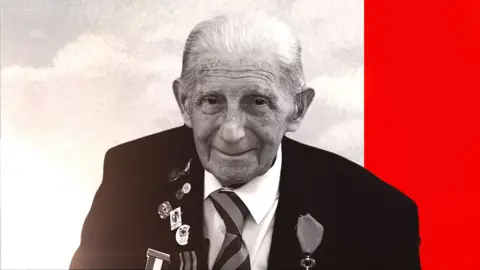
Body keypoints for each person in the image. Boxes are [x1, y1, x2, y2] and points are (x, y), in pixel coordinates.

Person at [70, 13, 421, 270]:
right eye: (211, 101)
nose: (232, 132)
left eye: (258, 102)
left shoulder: (378, 214)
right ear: (184, 103)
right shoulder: (130, 173)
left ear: (297, 109)